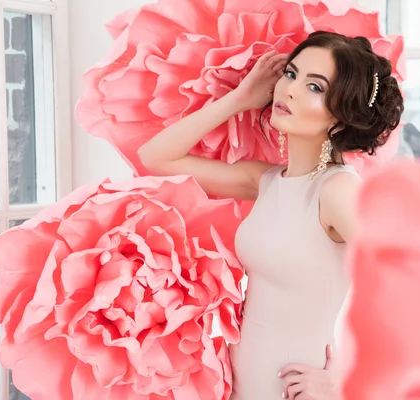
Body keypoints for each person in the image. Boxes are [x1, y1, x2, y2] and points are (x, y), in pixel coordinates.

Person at [138, 31, 403, 400]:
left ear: (342, 117)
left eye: (315, 87)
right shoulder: (265, 181)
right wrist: (240, 98)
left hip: (295, 389)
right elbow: (156, 158)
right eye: (291, 74)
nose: (289, 89)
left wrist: (346, 376)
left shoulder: (336, 190)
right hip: (244, 379)